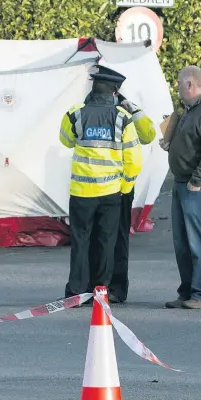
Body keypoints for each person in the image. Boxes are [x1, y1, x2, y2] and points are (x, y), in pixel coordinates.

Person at [60, 65, 143, 300]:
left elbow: (65, 140)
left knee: (80, 240)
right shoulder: (123, 118)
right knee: (106, 242)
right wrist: (125, 186)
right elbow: (134, 159)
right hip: (110, 192)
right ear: (115, 93)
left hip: (81, 192)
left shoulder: (75, 113)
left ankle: (76, 292)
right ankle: (101, 292)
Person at [162, 66, 201, 309]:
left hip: (198, 185)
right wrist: (170, 143)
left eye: (179, 83)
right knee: (183, 243)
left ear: (190, 84)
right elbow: (191, 141)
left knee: (199, 241)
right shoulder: (189, 109)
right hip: (183, 182)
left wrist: (197, 181)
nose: (177, 87)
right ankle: (188, 291)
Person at [106, 87, 157, 303]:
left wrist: (133, 109)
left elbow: (149, 135)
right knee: (107, 239)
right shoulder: (90, 109)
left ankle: (115, 288)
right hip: (105, 186)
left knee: (116, 239)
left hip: (118, 187)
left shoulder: (126, 111)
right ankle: (106, 286)